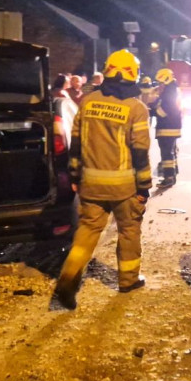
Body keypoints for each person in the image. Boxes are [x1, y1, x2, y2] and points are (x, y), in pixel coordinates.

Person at [53, 49, 152, 310]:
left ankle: (67, 280)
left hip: (91, 184)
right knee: (129, 231)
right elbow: (140, 152)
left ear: (107, 71)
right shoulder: (136, 108)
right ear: (133, 75)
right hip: (124, 188)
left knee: (86, 233)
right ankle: (128, 280)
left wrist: (75, 175)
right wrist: (144, 187)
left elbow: (76, 144)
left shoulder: (87, 101)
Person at [153, 68, 182, 189]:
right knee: (171, 152)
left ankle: (168, 177)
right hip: (172, 127)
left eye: (161, 83)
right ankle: (173, 174)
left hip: (167, 128)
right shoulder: (173, 90)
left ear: (166, 79)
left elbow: (164, 111)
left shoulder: (169, 92)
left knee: (166, 154)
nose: (160, 85)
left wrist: (152, 108)